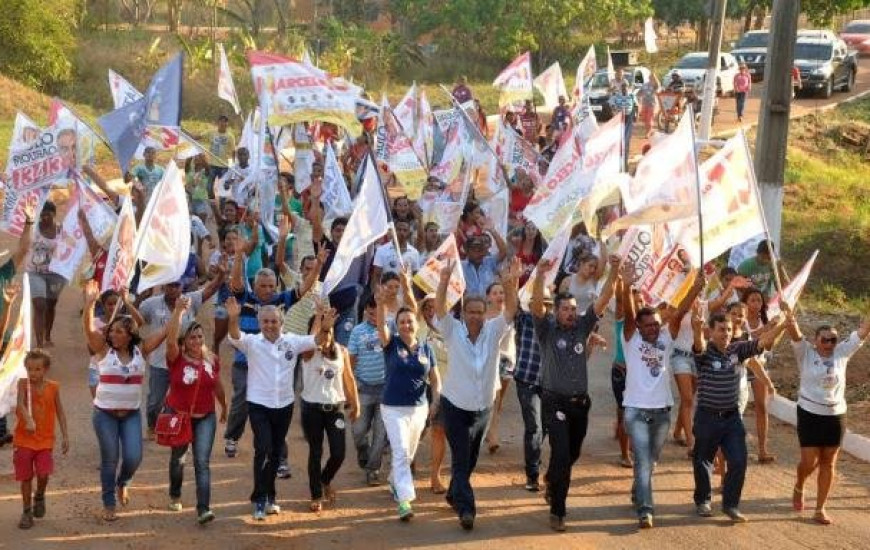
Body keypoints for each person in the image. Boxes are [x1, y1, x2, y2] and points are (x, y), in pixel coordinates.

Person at [530, 253, 621, 532]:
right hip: (553, 401)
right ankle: (558, 510)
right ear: (556, 311)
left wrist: (614, 270)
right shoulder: (546, 330)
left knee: (572, 454)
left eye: (573, 309)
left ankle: (553, 480)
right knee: (561, 455)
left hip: (580, 404)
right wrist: (541, 276)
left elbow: (604, 298)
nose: (571, 312)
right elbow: (535, 306)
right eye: (566, 309)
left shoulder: (583, 327)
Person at [225, 297, 333, 520]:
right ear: (259, 323)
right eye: (265, 321)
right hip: (258, 405)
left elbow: (317, 340)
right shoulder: (252, 342)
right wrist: (233, 318)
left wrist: (325, 326)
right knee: (263, 448)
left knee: (275, 453)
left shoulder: (292, 341)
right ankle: (259, 499)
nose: (269, 325)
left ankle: (270, 496)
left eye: (274, 321)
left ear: (281, 323)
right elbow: (235, 336)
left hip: (284, 405)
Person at [436, 257, 520, 530]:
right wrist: (444, 280)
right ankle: (467, 509)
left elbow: (510, 310)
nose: (474, 316)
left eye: (479, 312)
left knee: (470, 460)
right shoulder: (452, 331)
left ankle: (453, 492)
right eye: (470, 312)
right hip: (454, 407)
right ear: (463, 314)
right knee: (461, 458)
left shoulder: (494, 331)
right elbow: (438, 309)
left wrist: (510, 284)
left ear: (485, 314)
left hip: (483, 408)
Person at [621, 264, 704, 529]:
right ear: (639, 326)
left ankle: (638, 490)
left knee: (651, 461)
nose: (653, 328)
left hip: (662, 412)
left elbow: (679, 313)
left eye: (656, 324)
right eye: (648, 325)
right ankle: (645, 510)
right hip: (634, 410)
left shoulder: (667, 338)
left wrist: (696, 287)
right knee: (644, 460)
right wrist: (625, 285)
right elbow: (628, 313)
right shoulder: (630, 339)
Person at [690, 305, 791, 522]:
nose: (725, 333)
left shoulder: (739, 349)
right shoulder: (705, 353)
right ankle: (703, 500)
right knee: (703, 461)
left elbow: (763, 342)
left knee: (739, 460)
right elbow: (698, 343)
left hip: (732, 418)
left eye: (728, 329)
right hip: (707, 417)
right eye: (720, 329)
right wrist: (697, 328)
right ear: (711, 331)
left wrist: (784, 323)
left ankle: (731, 505)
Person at [82, 280, 167, 522]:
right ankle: (109, 504)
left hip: (130, 414)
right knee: (109, 459)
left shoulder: (142, 350)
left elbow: (163, 333)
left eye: (119, 331)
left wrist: (178, 314)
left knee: (133, 457)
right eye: (112, 330)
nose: (113, 334)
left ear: (130, 336)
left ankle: (124, 481)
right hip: (104, 414)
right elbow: (89, 330)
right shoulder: (102, 349)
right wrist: (89, 305)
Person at [786, 313, 869, 525]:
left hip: (835, 416)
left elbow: (862, 332)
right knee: (809, 462)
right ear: (815, 341)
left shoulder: (842, 352)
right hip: (809, 414)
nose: (829, 344)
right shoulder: (805, 353)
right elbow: (794, 333)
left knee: (829, 463)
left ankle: (820, 508)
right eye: (824, 339)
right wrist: (789, 315)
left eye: (833, 339)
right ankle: (799, 485)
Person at [375, 281, 441, 520]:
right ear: (397, 325)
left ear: (416, 323)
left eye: (409, 321)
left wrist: (435, 400)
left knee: (408, 453)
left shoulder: (426, 348)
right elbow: (381, 327)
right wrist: (381, 304)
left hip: (419, 409)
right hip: (392, 408)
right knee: (401, 451)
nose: (405, 324)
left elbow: (435, 378)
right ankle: (404, 501)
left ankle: (395, 480)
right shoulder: (390, 344)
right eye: (401, 321)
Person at [164, 296, 228, 525]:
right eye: (192, 337)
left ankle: (203, 508)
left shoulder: (212, 359)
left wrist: (224, 406)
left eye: (200, 336)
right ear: (184, 341)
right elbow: (170, 340)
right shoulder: (175, 358)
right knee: (178, 460)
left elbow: (217, 384)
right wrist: (178, 312)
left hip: (205, 418)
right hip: (179, 417)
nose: (197, 340)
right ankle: (175, 493)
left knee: (202, 462)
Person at [140, 271, 225, 440]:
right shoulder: (149, 304)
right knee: (154, 402)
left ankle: (183, 429)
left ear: (181, 287)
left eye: (176, 285)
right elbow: (137, 322)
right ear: (164, 286)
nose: (173, 289)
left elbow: (211, 289)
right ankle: (152, 425)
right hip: (160, 361)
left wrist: (221, 274)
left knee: (185, 399)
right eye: (170, 285)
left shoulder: (190, 300)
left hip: (186, 363)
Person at [299, 306, 360, 512]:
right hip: (312, 410)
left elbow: (349, 379)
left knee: (339, 453)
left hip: (335, 409)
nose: (326, 335)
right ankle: (316, 494)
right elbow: (311, 342)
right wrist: (318, 318)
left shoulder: (342, 351)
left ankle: (325, 479)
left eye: (330, 330)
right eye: (322, 331)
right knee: (315, 452)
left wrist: (356, 404)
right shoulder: (307, 353)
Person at [13, 349, 68, 530]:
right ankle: (26, 511)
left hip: (45, 440)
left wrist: (65, 435)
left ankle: (40, 496)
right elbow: (20, 403)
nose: (33, 373)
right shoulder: (23, 385)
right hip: (24, 439)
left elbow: (60, 411)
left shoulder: (53, 387)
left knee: (43, 474)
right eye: (30, 369)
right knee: (26, 477)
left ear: (46, 369)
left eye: (37, 369)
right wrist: (28, 420)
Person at [347, 296, 389, 486]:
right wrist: (351, 384)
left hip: (386, 390)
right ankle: (363, 450)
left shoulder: (390, 328)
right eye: (371, 312)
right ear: (365, 311)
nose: (374, 316)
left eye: (378, 312)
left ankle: (373, 469)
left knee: (380, 434)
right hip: (363, 388)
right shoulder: (357, 331)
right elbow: (352, 359)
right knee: (358, 430)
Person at [513, 291, 548, 491]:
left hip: (550, 384)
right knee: (534, 427)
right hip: (527, 380)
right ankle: (532, 474)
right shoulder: (524, 320)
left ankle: (532, 455)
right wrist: (512, 282)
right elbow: (511, 304)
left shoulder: (555, 324)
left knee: (545, 427)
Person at [416, 294, 449, 494]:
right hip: (418, 385)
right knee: (417, 430)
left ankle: (435, 475)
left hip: (441, 386)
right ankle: (408, 459)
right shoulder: (416, 325)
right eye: (426, 307)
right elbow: (412, 304)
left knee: (439, 431)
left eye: (434, 307)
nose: (430, 311)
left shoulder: (451, 329)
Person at [26, 201, 65, 348]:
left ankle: (47, 335)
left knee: (50, 305)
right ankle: (39, 343)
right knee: (39, 304)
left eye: (47, 214)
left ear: (54, 214)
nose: (44, 218)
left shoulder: (62, 229)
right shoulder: (33, 227)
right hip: (34, 272)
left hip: (56, 273)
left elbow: (71, 245)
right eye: (41, 214)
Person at [483, 282, 516, 455]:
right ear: (488, 297)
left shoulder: (510, 314)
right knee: (494, 398)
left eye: (501, 292)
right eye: (494, 292)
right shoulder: (483, 316)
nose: (499, 295)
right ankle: (493, 434)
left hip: (508, 359)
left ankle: (490, 429)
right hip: (491, 360)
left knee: (499, 400)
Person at [371, 220, 421, 289]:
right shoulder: (381, 250)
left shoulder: (414, 253)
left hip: (406, 296)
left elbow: (415, 277)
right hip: (387, 295)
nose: (401, 232)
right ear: (393, 231)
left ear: (409, 233)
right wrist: (377, 293)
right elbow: (376, 275)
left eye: (405, 230)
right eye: (398, 229)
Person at [461, 231, 507, 297]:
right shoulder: (461, 266)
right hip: (470, 305)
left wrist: (492, 230)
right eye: (476, 251)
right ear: (467, 251)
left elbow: (504, 251)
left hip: (489, 304)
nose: (480, 254)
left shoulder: (489, 262)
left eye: (482, 250)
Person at [609, 82, 636, 170]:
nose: (624, 89)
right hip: (619, 120)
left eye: (625, 87)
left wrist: (636, 115)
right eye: (623, 87)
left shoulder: (631, 95)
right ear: (621, 88)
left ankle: (625, 164)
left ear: (628, 88)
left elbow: (636, 105)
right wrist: (614, 109)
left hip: (628, 120)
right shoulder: (616, 95)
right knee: (619, 141)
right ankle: (618, 162)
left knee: (626, 141)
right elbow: (611, 103)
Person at [204, 115, 237, 188]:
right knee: (209, 186)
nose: (222, 124)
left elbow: (233, 151)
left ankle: (222, 199)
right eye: (221, 122)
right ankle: (211, 198)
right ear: (218, 123)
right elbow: (196, 137)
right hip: (212, 164)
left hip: (224, 166)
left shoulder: (230, 136)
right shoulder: (211, 133)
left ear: (227, 125)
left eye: (224, 123)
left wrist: (234, 164)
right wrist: (184, 132)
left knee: (222, 187)